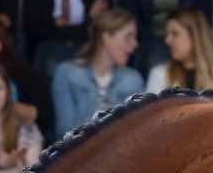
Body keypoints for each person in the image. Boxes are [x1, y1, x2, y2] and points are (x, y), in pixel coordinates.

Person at [50, 8, 145, 138]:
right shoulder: (67, 73)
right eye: (128, 37)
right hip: (78, 153)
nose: (134, 44)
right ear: (106, 38)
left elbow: (137, 131)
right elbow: (63, 132)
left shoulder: (133, 79)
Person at [144, 7, 213, 96]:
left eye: (175, 34)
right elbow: (151, 116)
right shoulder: (159, 75)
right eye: (167, 34)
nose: (167, 41)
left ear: (195, 36)